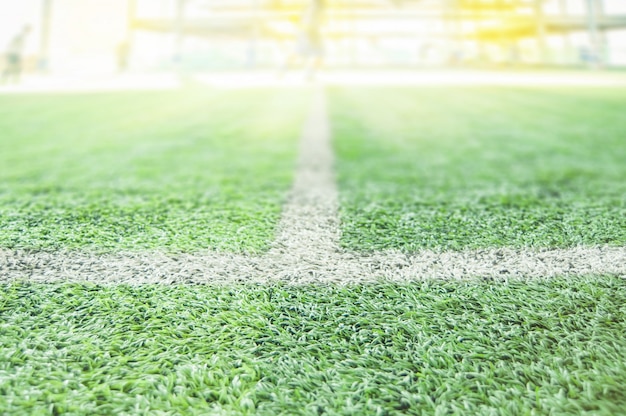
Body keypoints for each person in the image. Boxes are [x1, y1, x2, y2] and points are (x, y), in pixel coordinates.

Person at [279, 0, 325, 80]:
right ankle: (309, 74)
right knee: (319, 54)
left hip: (308, 32)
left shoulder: (313, 6)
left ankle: (283, 70)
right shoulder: (314, 6)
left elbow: (306, 19)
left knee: (298, 53)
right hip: (309, 33)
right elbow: (308, 21)